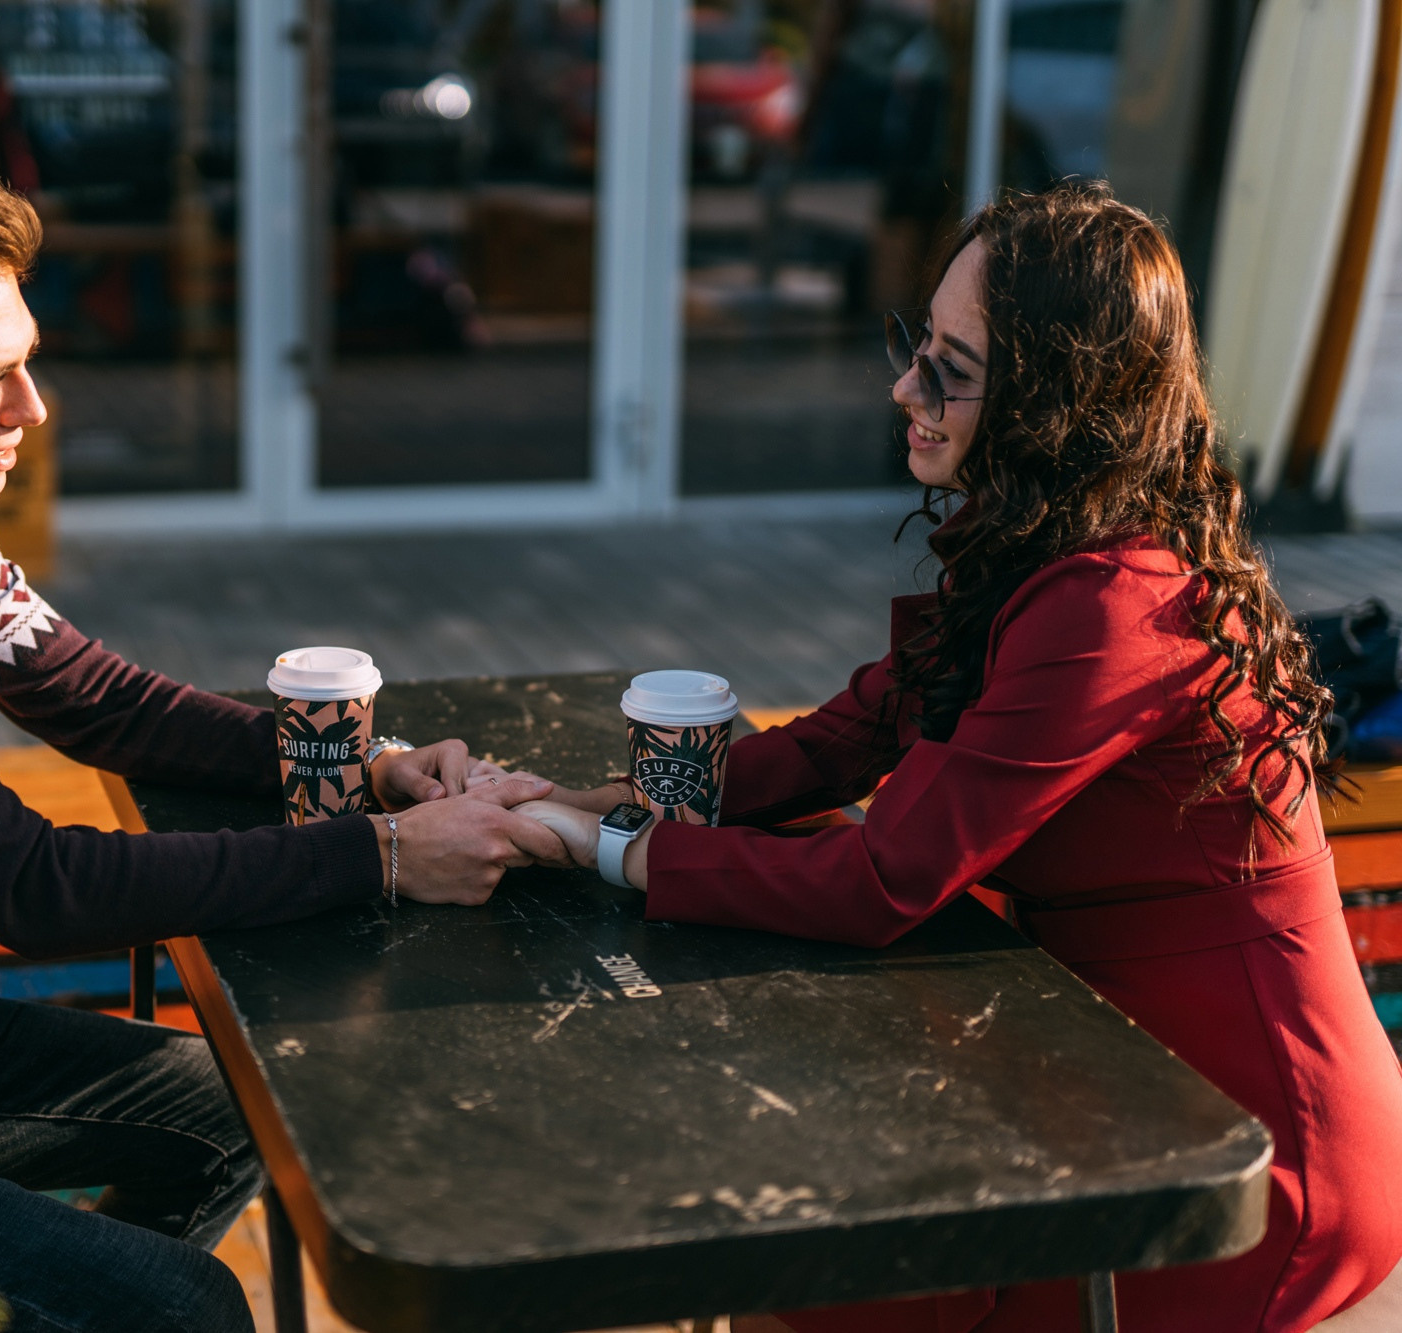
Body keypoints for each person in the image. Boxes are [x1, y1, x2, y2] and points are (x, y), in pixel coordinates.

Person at [510, 185, 1402, 1332]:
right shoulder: (1043, 541)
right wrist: (596, 799)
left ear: (1055, 399)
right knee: (799, 1251)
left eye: (950, 369)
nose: (904, 390)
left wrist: (610, 847)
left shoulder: (1114, 598)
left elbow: (882, 877)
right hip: (1099, 1068)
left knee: (829, 1280)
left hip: (1239, 1154)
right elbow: (851, 734)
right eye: (916, 347)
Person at [0, 155, 566, 1333]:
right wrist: (381, 854)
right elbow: (37, 887)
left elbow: (98, 700)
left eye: (26, 363)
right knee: (182, 1310)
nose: (31, 409)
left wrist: (357, 763)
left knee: (236, 1110)